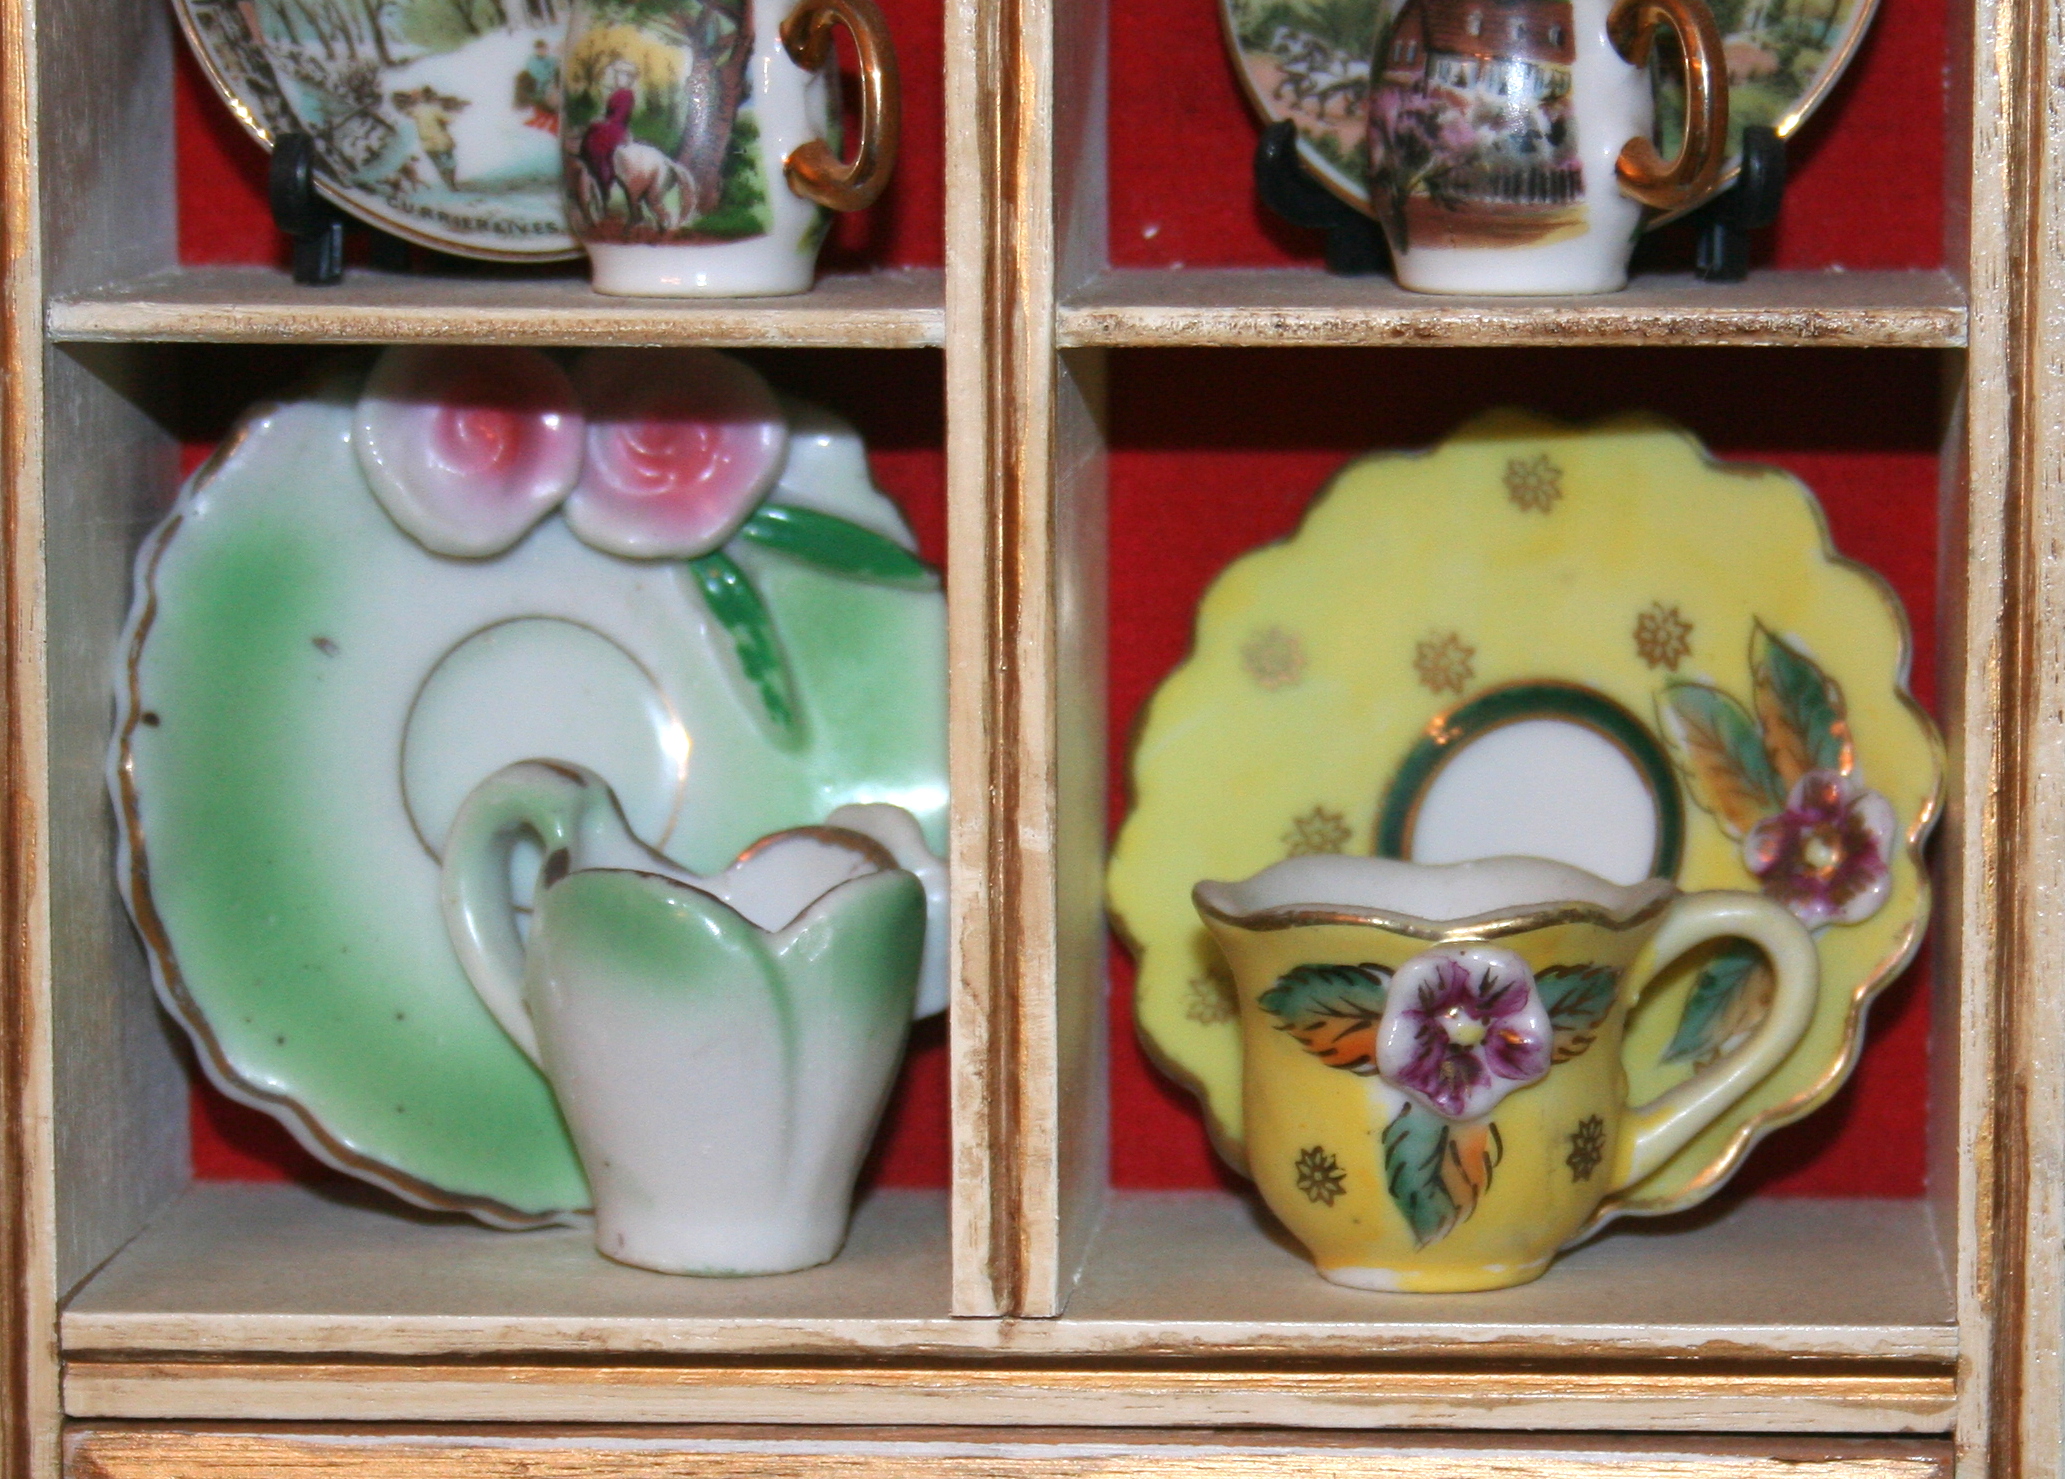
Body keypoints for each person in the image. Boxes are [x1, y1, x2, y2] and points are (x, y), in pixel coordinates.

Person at [393, 87, 468, 190]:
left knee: (438, 164)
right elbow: (450, 119)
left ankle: (448, 184)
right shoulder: (435, 109)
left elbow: (407, 113)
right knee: (450, 163)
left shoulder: (416, 111)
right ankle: (452, 184)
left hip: (427, 143)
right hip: (441, 141)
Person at [514, 39, 561, 133]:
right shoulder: (532, 62)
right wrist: (552, 72)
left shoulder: (549, 59)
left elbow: (558, 63)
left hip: (549, 89)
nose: (542, 51)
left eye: (544, 49)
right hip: (539, 91)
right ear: (536, 50)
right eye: (540, 49)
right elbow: (543, 76)